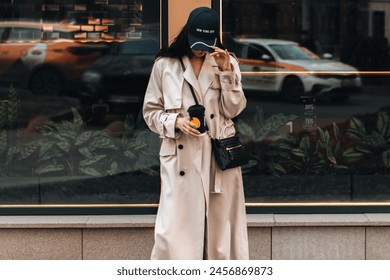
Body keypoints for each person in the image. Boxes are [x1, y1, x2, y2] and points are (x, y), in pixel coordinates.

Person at [143, 6, 249, 260]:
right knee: (174, 231)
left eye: (205, 44)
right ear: (187, 34)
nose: (199, 49)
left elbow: (233, 110)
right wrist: (175, 122)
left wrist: (227, 74)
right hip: (181, 157)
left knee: (221, 232)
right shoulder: (165, 65)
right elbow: (150, 112)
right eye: (195, 43)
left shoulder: (226, 62)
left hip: (218, 157)